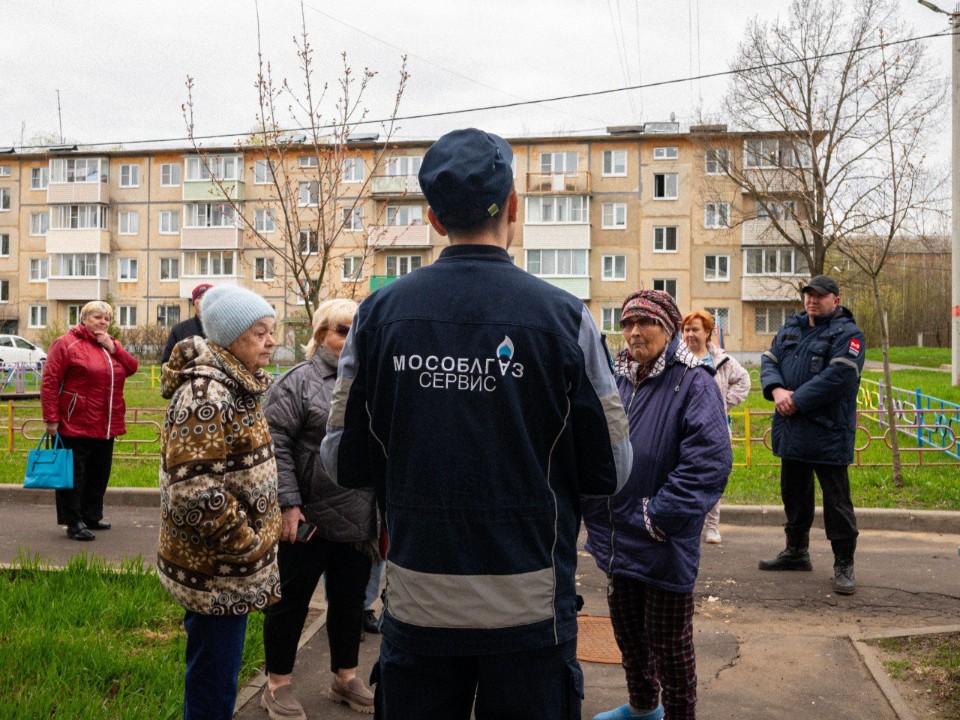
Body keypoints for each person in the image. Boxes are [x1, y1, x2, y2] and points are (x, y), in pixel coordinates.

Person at [320, 128, 632, 720]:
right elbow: (612, 468)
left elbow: (343, 460)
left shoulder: (378, 316)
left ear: (433, 219)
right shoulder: (566, 318)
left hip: (418, 608)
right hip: (531, 616)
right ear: (514, 206)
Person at [583, 290, 732, 720]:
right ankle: (644, 709)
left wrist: (658, 516)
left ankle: (681, 715)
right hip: (616, 534)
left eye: (643, 323)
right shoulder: (614, 379)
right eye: (626, 323)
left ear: (667, 329)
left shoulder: (693, 382)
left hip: (661, 538)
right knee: (629, 639)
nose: (632, 332)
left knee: (670, 647)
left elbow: (709, 461)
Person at [157, 285, 282, 720]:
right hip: (217, 574)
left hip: (228, 570)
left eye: (271, 331)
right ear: (230, 337)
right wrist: (246, 545)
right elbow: (195, 493)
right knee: (213, 683)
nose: (271, 340)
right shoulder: (206, 396)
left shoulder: (235, 384)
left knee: (218, 677)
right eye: (260, 332)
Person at [260, 299, 376, 718]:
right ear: (320, 334)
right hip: (307, 518)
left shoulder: (373, 380)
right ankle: (277, 684)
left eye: (357, 331)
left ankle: (344, 678)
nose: (350, 339)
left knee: (350, 602)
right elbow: (275, 447)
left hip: (359, 516)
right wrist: (288, 504)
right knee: (290, 602)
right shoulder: (297, 382)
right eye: (342, 330)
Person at [758, 274, 865, 595]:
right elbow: (769, 360)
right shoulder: (791, 327)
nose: (812, 300)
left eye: (819, 295)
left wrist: (796, 399)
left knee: (837, 501)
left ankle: (844, 563)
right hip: (792, 429)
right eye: (808, 294)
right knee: (794, 493)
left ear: (837, 298)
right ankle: (796, 552)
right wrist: (776, 390)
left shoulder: (849, 333)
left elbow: (841, 375)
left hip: (828, 430)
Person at [40, 300, 138, 541]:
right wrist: (51, 418)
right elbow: (50, 381)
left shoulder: (111, 345)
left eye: (107, 319)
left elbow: (132, 367)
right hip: (74, 422)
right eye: (97, 317)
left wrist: (114, 348)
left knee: (99, 472)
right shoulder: (66, 343)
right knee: (73, 474)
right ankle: (74, 522)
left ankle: (92, 515)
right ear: (83, 319)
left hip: (106, 423)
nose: (103, 322)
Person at [681, 310, 751, 544]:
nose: (690, 334)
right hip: (682, 428)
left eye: (695, 329)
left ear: (708, 332)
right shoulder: (676, 359)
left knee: (712, 476)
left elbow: (744, 381)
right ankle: (685, 524)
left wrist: (723, 405)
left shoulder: (720, 360)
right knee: (681, 475)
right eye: (687, 329)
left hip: (714, 430)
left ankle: (712, 526)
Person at [161, 282, 212, 364]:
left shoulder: (225, 329)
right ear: (194, 303)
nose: (203, 300)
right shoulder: (179, 330)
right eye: (199, 297)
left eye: (207, 296)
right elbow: (167, 363)